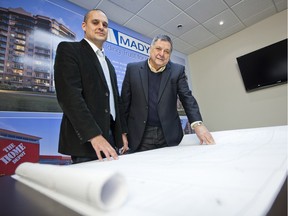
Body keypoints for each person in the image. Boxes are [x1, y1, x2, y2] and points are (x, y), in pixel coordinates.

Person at [54, 9, 128, 163]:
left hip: (111, 137)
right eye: (95, 22)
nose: (101, 27)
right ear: (84, 26)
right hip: (87, 140)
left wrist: (122, 133)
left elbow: (116, 102)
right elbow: (69, 96)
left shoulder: (109, 64)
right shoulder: (69, 50)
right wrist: (94, 135)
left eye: (105, 25)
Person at [121, 34, 215, 152]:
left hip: (168, 133)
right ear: (150, 49)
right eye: (158, 49)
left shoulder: (177, 71)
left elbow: (187, 98)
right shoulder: (132, 69)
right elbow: (124, 103)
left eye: (166, 51)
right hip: (141, 134)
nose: (162, 54)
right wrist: (122, 132)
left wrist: (198, 124)